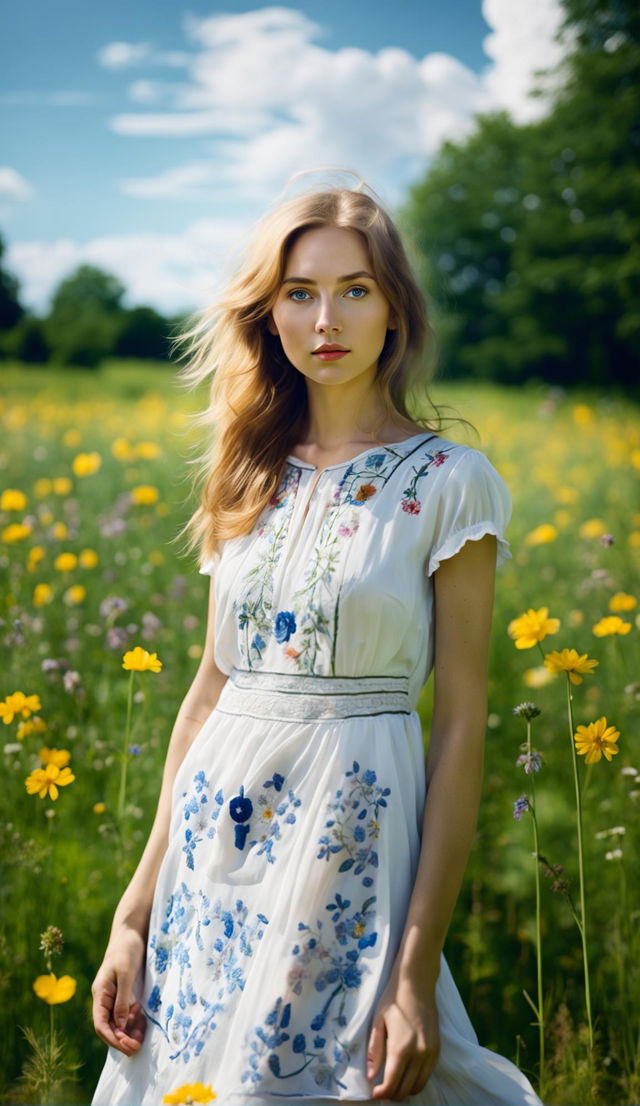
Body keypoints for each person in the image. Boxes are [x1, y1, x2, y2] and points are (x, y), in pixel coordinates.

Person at [91, 174, 544, 1105]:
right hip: (211, 857)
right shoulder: (243, 472)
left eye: (354, 289)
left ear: (394, 311)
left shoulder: (451, 482)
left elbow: (460, 728)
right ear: (270, 313)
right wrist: (134, 914)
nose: (325, 318)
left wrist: (415, 971)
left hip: (349, 845)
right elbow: (208, 696)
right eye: (299, 292)